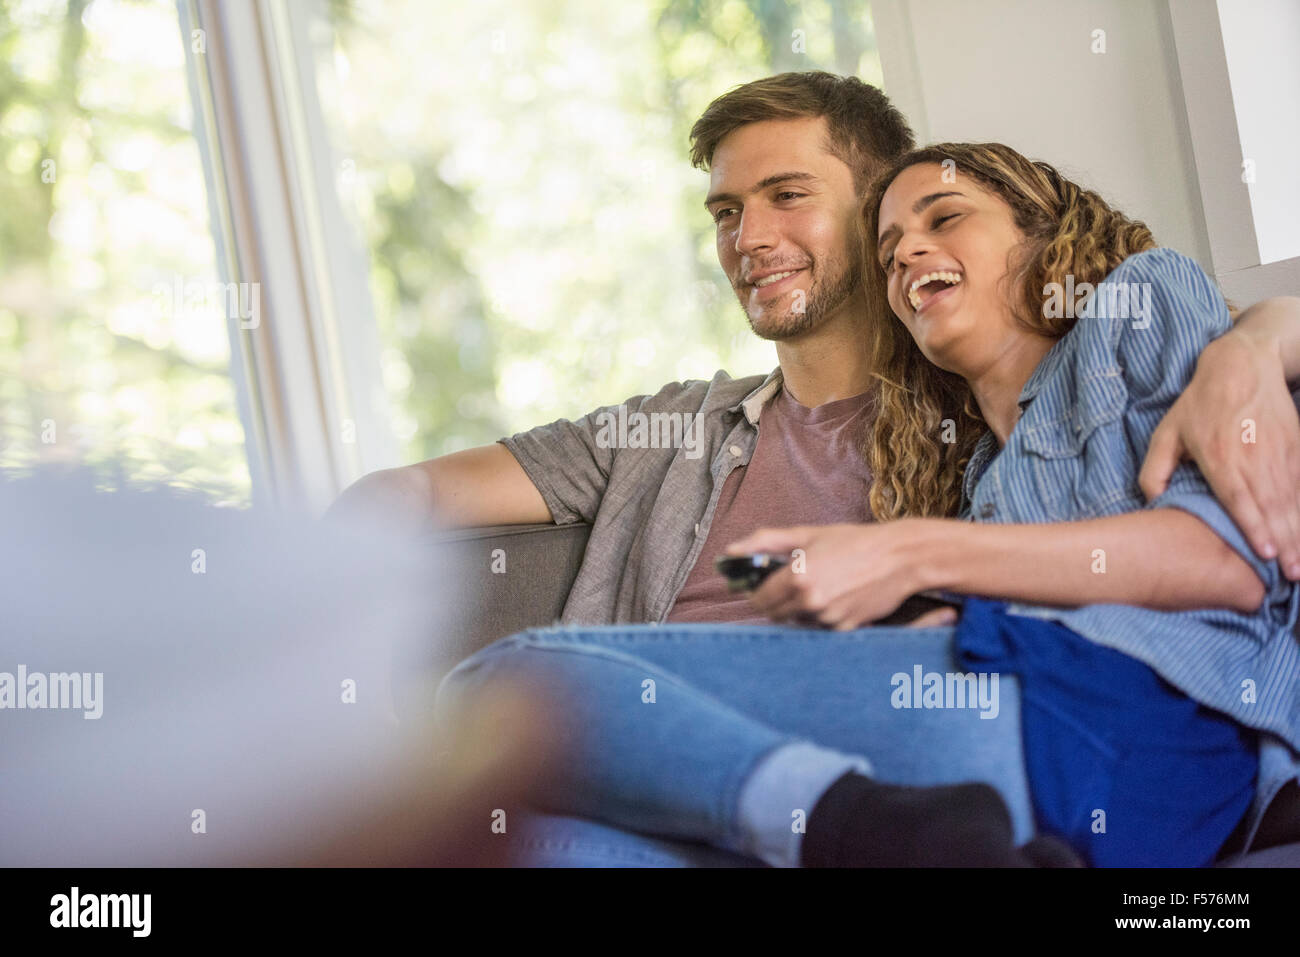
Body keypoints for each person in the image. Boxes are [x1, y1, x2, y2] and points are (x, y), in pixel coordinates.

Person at [328, 72, 1300, 864]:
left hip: (1044, 736)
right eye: (725, 211)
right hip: (727, 773)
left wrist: (1259, 339)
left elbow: (1218, 560)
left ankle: (862, 828)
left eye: (787, 196)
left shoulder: (1009, 401)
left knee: (516, 686)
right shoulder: (685, 431)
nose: (747, 238)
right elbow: (415, 493)